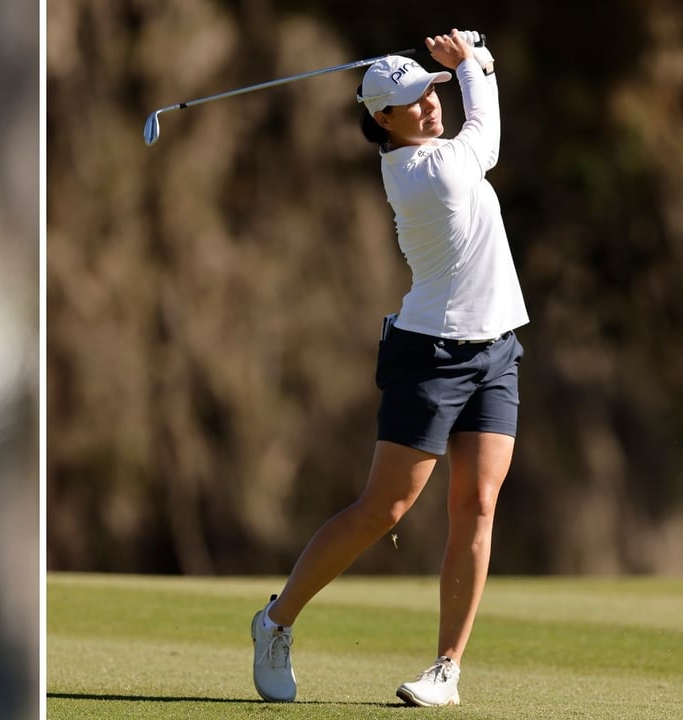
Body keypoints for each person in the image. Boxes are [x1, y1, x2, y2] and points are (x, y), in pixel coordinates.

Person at [250, 29, 527, 707]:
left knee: (478, 504)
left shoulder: (440, 154)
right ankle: (276, 620)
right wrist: (472, 63)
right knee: (384, 509)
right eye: (415, 101)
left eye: (433, 93)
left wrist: (473, 68)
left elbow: (476, 120)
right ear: (382, 120)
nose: (431, 106)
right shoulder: (425, 174)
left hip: (496, 349)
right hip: (431, 356)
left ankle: (446, 669)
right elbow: (487, 137)